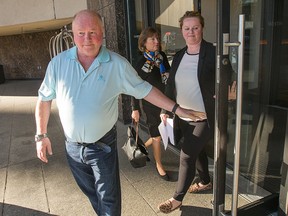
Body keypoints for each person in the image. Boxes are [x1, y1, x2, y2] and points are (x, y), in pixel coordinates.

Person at [35, 9, 207, 216]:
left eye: (93, 32)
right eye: (81, 33)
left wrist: (176, 108)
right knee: (91, 194)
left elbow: (146, 89)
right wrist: (41, 134)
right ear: (73, 34)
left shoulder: (116, 64)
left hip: (101, 146)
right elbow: (44, 99)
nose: (87, 38)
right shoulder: (58, 64)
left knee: (108, 199)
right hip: (71, 147)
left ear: (103, 32)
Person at [157, 11, 236, 213]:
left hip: (203, 117)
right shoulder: (180, 55)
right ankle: (205, 182)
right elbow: (170, 86)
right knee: (197, 149)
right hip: (182, 116)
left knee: (186, 155)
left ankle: (177, 199)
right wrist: (165, 109)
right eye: (187, 28)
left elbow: (231, 77)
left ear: (202, 28)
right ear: (182, 30)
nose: (191, 32)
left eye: (195, 27)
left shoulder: (213, 52)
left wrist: (229, 94)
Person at [131, 27, 171, 181]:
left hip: (165, 99)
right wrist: (134, 108)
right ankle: (159, 164)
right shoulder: (141, 62)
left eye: (157, 38)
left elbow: (168, 75)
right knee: (156, 134)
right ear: (144, 43)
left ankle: (143, 147)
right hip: (149, 102)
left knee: (160, 132)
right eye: (152, 39)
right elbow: (134, 86)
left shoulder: (162, 56)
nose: (156, 42)